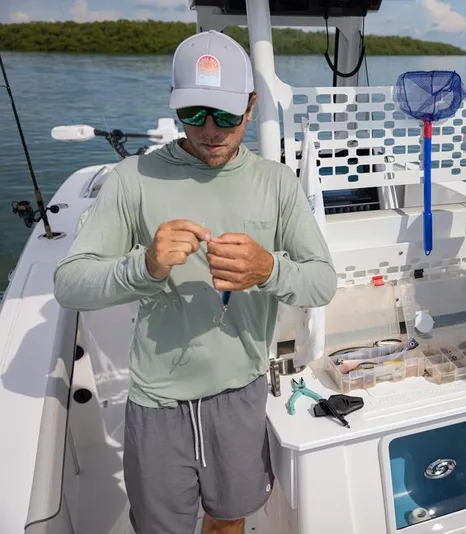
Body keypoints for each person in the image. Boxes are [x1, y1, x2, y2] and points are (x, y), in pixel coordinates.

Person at [53, 30, 337, 534]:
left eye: (226, 115)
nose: (210, 131)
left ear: (251, 106)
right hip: (157, 400)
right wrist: (145, 265)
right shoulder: (133, 177)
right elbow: (70, 284)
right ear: (175, 106)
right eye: (194, 114)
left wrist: (269, 269)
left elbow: (322, 283)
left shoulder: (276, 182)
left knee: (228, 521)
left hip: (241, 393)